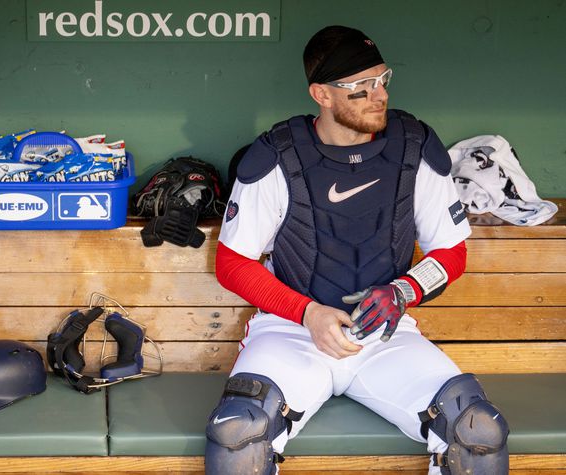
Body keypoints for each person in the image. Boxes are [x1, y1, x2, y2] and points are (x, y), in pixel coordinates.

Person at [205, 25, 509, 475]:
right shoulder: (278, 154)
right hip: (292, 332)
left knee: (477, 430)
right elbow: (232, 264)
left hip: (386, 335)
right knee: (239, 432)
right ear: (321, 95)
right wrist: (308, 313)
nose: (377, 94)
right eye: (358, 87)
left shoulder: (413, 145)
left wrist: (403, 292)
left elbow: (451, 251)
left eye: (382, 79)